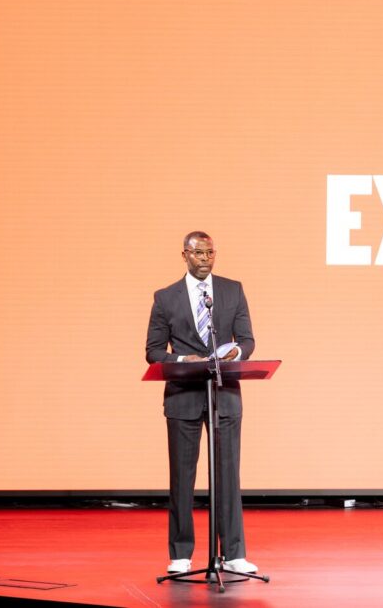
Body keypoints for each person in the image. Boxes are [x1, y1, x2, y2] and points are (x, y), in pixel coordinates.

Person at [145, 231, 258, 575]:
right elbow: (153, 351)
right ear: (185, 255)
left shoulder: (232, 290)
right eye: (198, 253)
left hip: (224, 393)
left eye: (210, 253)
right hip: (183, 396)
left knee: (228, 475)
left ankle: (234, 553)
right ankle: (181, 554)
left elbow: (247, 340)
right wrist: (183, 359)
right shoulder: (166, 297)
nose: (205, 259)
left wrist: (236, 351)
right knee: (182, 477)